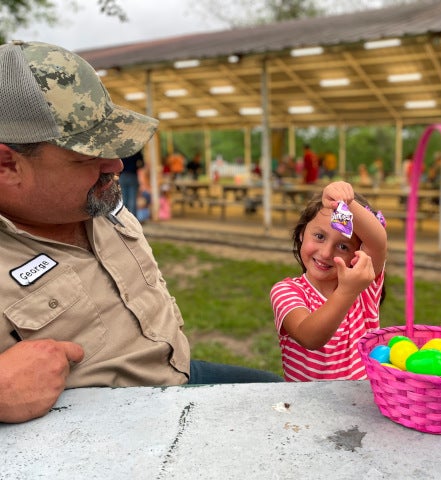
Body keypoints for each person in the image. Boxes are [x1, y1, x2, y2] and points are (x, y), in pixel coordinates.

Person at [0, 40, 281, 424]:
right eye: (87, 156)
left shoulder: (93, 200)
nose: (115, 164)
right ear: (6, 165)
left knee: (279, 399)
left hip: (178, 378)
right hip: (110, 434)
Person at [270, 181, 387, 381]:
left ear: (357, 255)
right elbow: (310, 337)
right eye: (319, 236)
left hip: (361, 407)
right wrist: (346, 292)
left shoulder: (363, 284)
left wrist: (346, 204)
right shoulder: (286, 291)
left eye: (343, 247)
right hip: (307, 409)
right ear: (301, 234)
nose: (325, 253)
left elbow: (378, 241)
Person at [119, 149, 144, 217]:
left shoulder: (121, 150)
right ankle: (133, 220)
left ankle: (124, 219)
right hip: (132, 175)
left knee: (124, 199)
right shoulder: (135, 150)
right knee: (132, 199)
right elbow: (142, 164)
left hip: (123, 176)